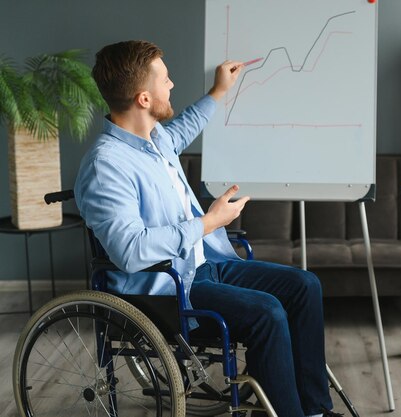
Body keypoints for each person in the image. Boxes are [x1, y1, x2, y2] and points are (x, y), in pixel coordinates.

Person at [74, 40, 340, 417]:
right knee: (268, 312)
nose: (172, 86)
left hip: (203, 266)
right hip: (166, 288)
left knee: (304, 286)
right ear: (144, 99)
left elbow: (183, 128)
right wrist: (208, 222)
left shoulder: (155, 140)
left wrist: (218, 92)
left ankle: (314, 409)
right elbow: (129, 251)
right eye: (165, 80)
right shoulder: (106, 166)